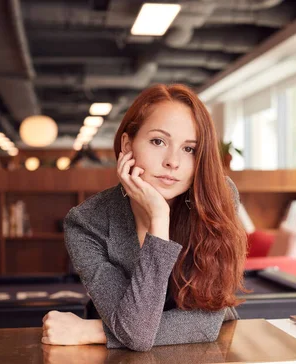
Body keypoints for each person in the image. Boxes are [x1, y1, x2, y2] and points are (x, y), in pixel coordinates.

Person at [41, 84, 247, 352]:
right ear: (128, 144)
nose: (173, 161)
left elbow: (205, 323)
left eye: (189, 149)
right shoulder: (86, 223)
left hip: (202, 351)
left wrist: (94, 331)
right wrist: (159, 218)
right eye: (158, 141)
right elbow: (136, 334)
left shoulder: (218, 197)